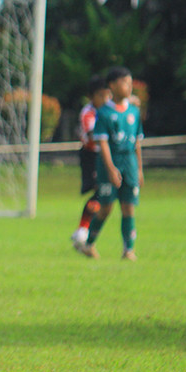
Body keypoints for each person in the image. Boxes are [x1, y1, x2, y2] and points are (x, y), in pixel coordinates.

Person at [75, 66, 144, 261]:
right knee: (105, 208)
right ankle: (89, 244)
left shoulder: (134, 111)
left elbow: (137, 142)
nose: (128, 86)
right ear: (112, 86)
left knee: (128, 207)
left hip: (129, 162)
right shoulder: (104, 113)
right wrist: (111, 168)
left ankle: (128, 250)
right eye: (124, 82)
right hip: (109, 163)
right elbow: (102, 143)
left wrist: (139, 168)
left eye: (130, 82)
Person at [71, 75, 111, 248]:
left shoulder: (110, 109)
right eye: (101, 95)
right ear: (91, 96)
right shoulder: (88, 113)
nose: (105, 99)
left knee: (102, 195)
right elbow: (94, 136)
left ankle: (84, 231)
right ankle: (83, 230)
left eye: (108, 95)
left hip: (105, 156)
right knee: (99, 192)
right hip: (91, 156)